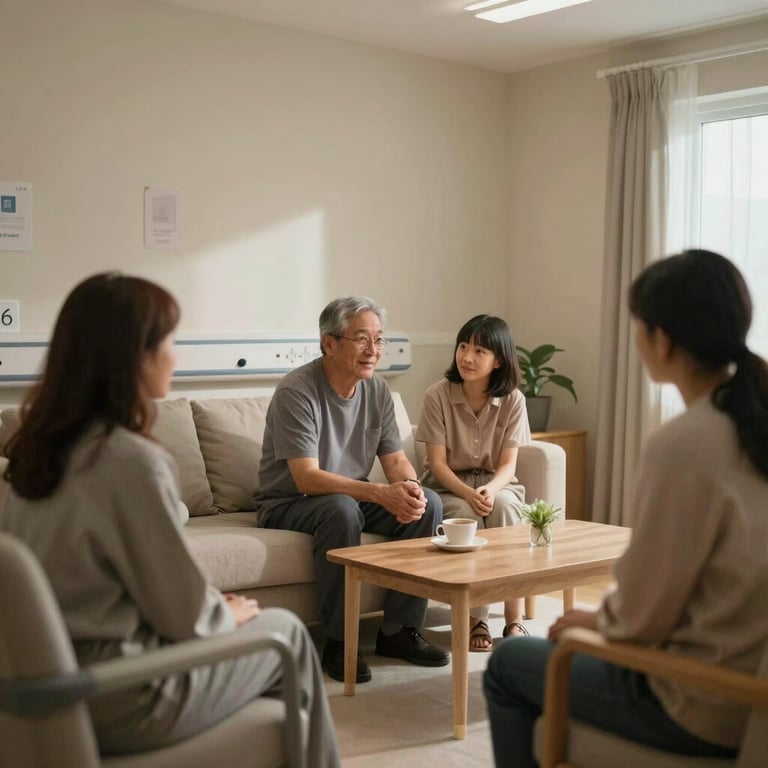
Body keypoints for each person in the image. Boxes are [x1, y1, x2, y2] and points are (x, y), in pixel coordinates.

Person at [1, 273, 340, 767]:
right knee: (282, 631)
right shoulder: (127, 459)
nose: (175, 356)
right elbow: (189, 618)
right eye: (169, 342)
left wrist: (210, 613)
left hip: (46, 690)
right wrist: (228, 615)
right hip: (125, 695)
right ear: (135, 356)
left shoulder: (30, 454)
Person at [483, 249, 768, 767]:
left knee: (508, 662)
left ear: (661, 338)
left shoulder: (686, 444)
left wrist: (593, 621)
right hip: (747, 682)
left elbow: (642, 615)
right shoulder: (753, 420)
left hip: (697, 700)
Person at [254, 296, 450, 683]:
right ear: (329, 343)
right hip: (288, 501)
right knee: (342, 510)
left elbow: (395, 461)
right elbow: (306, 477)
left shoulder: (377, 391)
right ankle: (338, 641)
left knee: (428, 505)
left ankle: (398, 632)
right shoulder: (298, 391)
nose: (373, 350)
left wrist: (409, 488)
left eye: (379, 340)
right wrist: (379, 494)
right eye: (362, 339)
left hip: (346, 496)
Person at [416, 314, 531, 652]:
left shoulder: (514, 400)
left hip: (497, 483)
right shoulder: (437, 395)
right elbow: (436, 464)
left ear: (499, 360)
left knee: (508, 508)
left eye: (479, 351)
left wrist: (492, 489)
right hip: (447, 485)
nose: (467, 357)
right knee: (466, 514)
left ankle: (514, 618)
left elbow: (508, 465)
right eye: (463, 347)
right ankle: (475, 618)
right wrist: (470, 492)